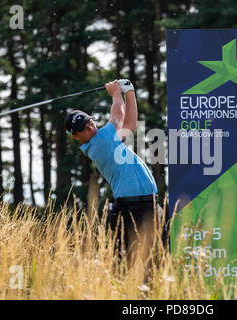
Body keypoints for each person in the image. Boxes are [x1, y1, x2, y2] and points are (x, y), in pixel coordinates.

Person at [65, 79, 165, 275]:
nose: (90, 128)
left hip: (149, 206)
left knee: (157, 263)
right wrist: (116, 93)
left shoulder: (107, 139)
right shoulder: (99, 143)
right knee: (134, 266)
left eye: (89, 122)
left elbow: (130, 124)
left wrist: (129, 92)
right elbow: (118, 117)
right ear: (76, 137)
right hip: (132, 208)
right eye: (83, 129)